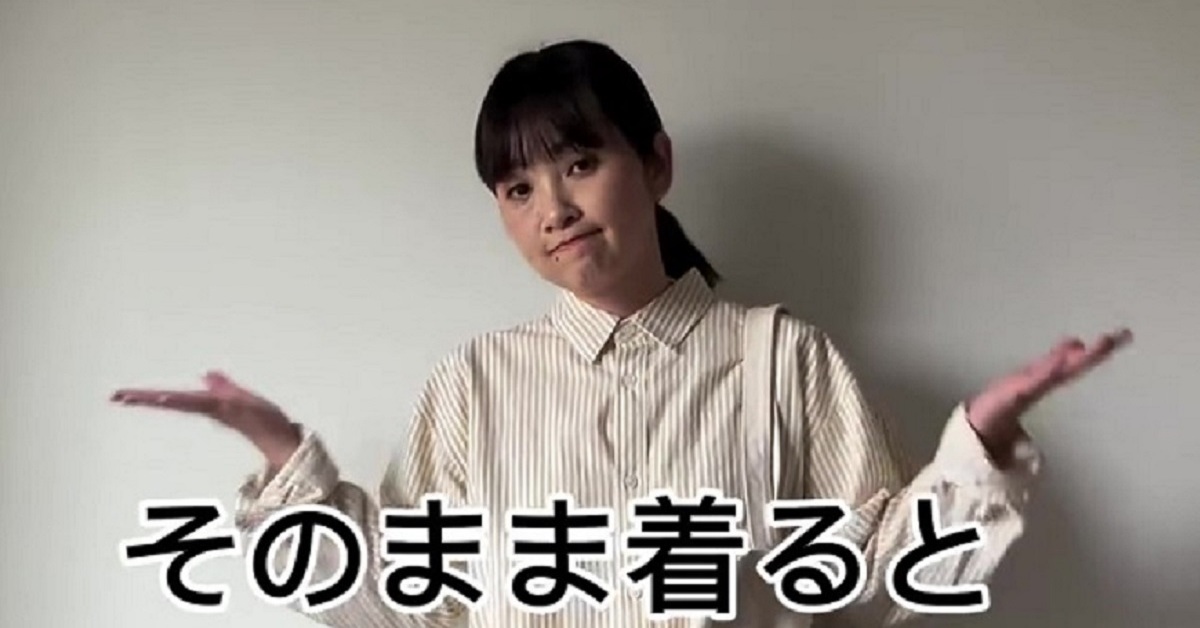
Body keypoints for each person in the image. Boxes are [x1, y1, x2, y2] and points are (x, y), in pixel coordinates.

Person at [111, 39, 1132, 627]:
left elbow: (881, 585)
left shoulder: (784, 359)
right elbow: (406, 606)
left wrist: (979, 445)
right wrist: (287, 461)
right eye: (517, 188)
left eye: (578, 163)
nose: (552, 207)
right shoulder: (472, 385)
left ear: (655, 163)